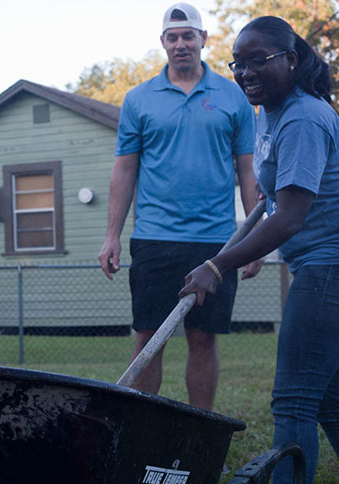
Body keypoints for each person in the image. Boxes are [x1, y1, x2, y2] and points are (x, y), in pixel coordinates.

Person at [179, 16, 339, 483]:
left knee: (294, 401)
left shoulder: (303, 116)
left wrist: (216, 266)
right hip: (335, 260)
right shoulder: (270, 109)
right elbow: (278, 194)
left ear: (291, 59)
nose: (246, 74)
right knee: (328, 402)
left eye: (257, 61)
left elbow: (290, 217)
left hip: (336, 261)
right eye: (238, 64)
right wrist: (270, 188)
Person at [98, 2, 261, 411]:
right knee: (149, 338)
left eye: (189, 35)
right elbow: (124, 171)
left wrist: (255, 241)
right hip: (154, 238)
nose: (181, 43)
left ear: (204, 40)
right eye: (172, 37)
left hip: (217, 243)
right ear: (163, 43)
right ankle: (139, 430)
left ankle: (199, 431)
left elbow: (248, 171)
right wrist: (112, 235)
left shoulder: (233, 97)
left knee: (203, 338)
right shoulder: (139, 99)